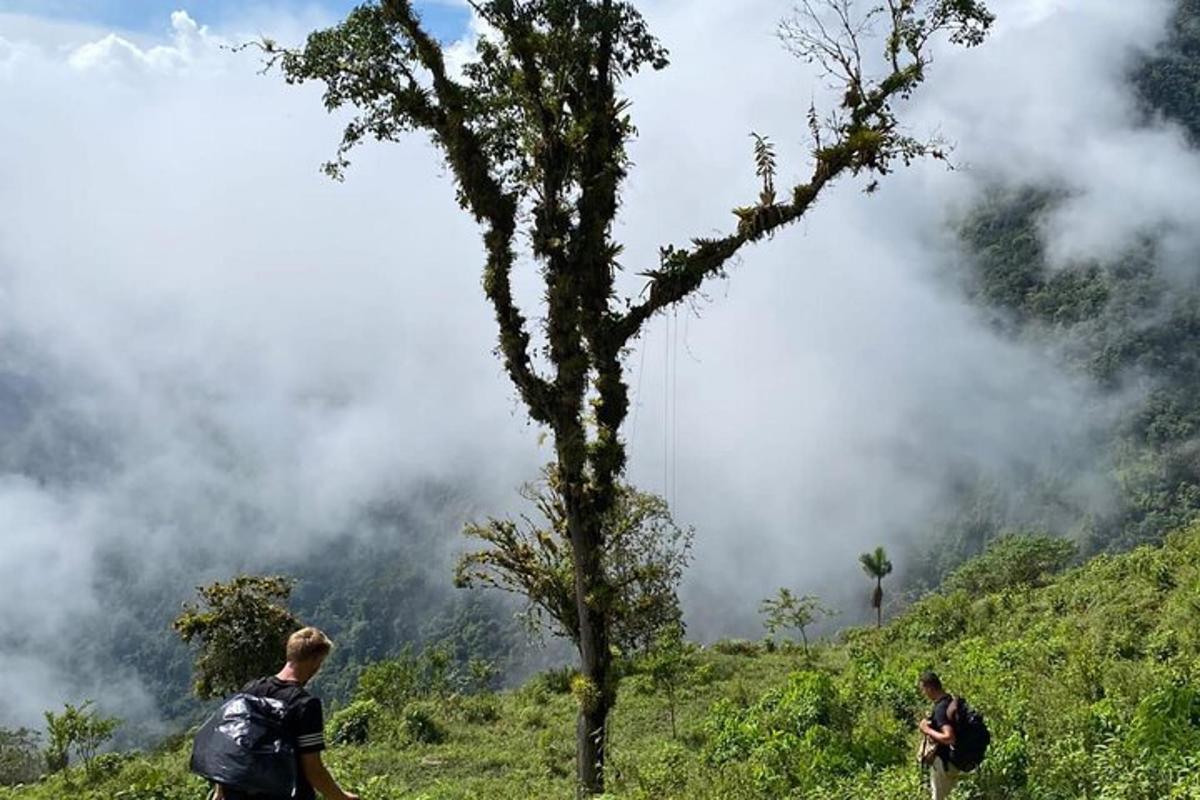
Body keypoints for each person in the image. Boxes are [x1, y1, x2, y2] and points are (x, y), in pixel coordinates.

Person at [215, 627, 359, 800]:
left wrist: (219, 791)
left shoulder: (251, 690)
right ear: (315, 660)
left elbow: (232, 746)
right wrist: (341, 797)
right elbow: (313, 770)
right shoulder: (305, 705)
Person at [917, 671, 960, 800]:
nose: (924, 693)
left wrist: (926, 729)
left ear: (929, 688)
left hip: (943, 762)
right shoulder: (949, 699)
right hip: (956, 760)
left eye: (923, 689)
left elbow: (949, 737)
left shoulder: (941, 708)